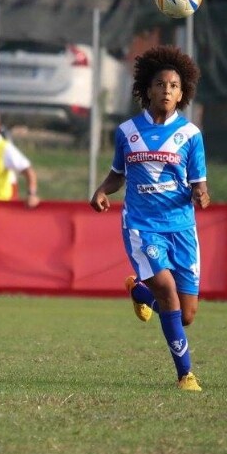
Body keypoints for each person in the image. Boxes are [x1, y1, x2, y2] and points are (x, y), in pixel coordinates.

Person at [90, 45, 210, 392]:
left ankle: (140, 293)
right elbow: (118, 175)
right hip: (142, 228)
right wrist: (102, 190)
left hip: (182, 228)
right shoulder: (127, 131)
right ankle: (185, 375)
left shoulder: (190, 135)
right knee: (168, 292)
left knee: (186, 315)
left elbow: (199, 184)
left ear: (182, 93)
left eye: (174, 86)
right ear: (148, 89)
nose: (167, 91)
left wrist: (201, 195)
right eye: (160, 84)